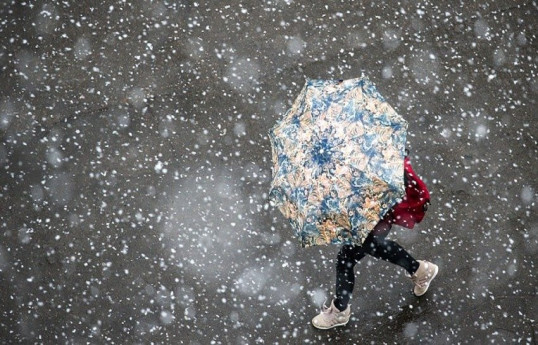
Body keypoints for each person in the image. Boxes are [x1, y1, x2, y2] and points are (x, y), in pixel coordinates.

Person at [311, 156, 439, 329]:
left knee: (347, 258)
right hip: (371, 213)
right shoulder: (364, 147)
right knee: (368, 249)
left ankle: (340, 311)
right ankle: (420, 270)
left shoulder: (369, 158)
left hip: (372, 214)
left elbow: (373, 185)